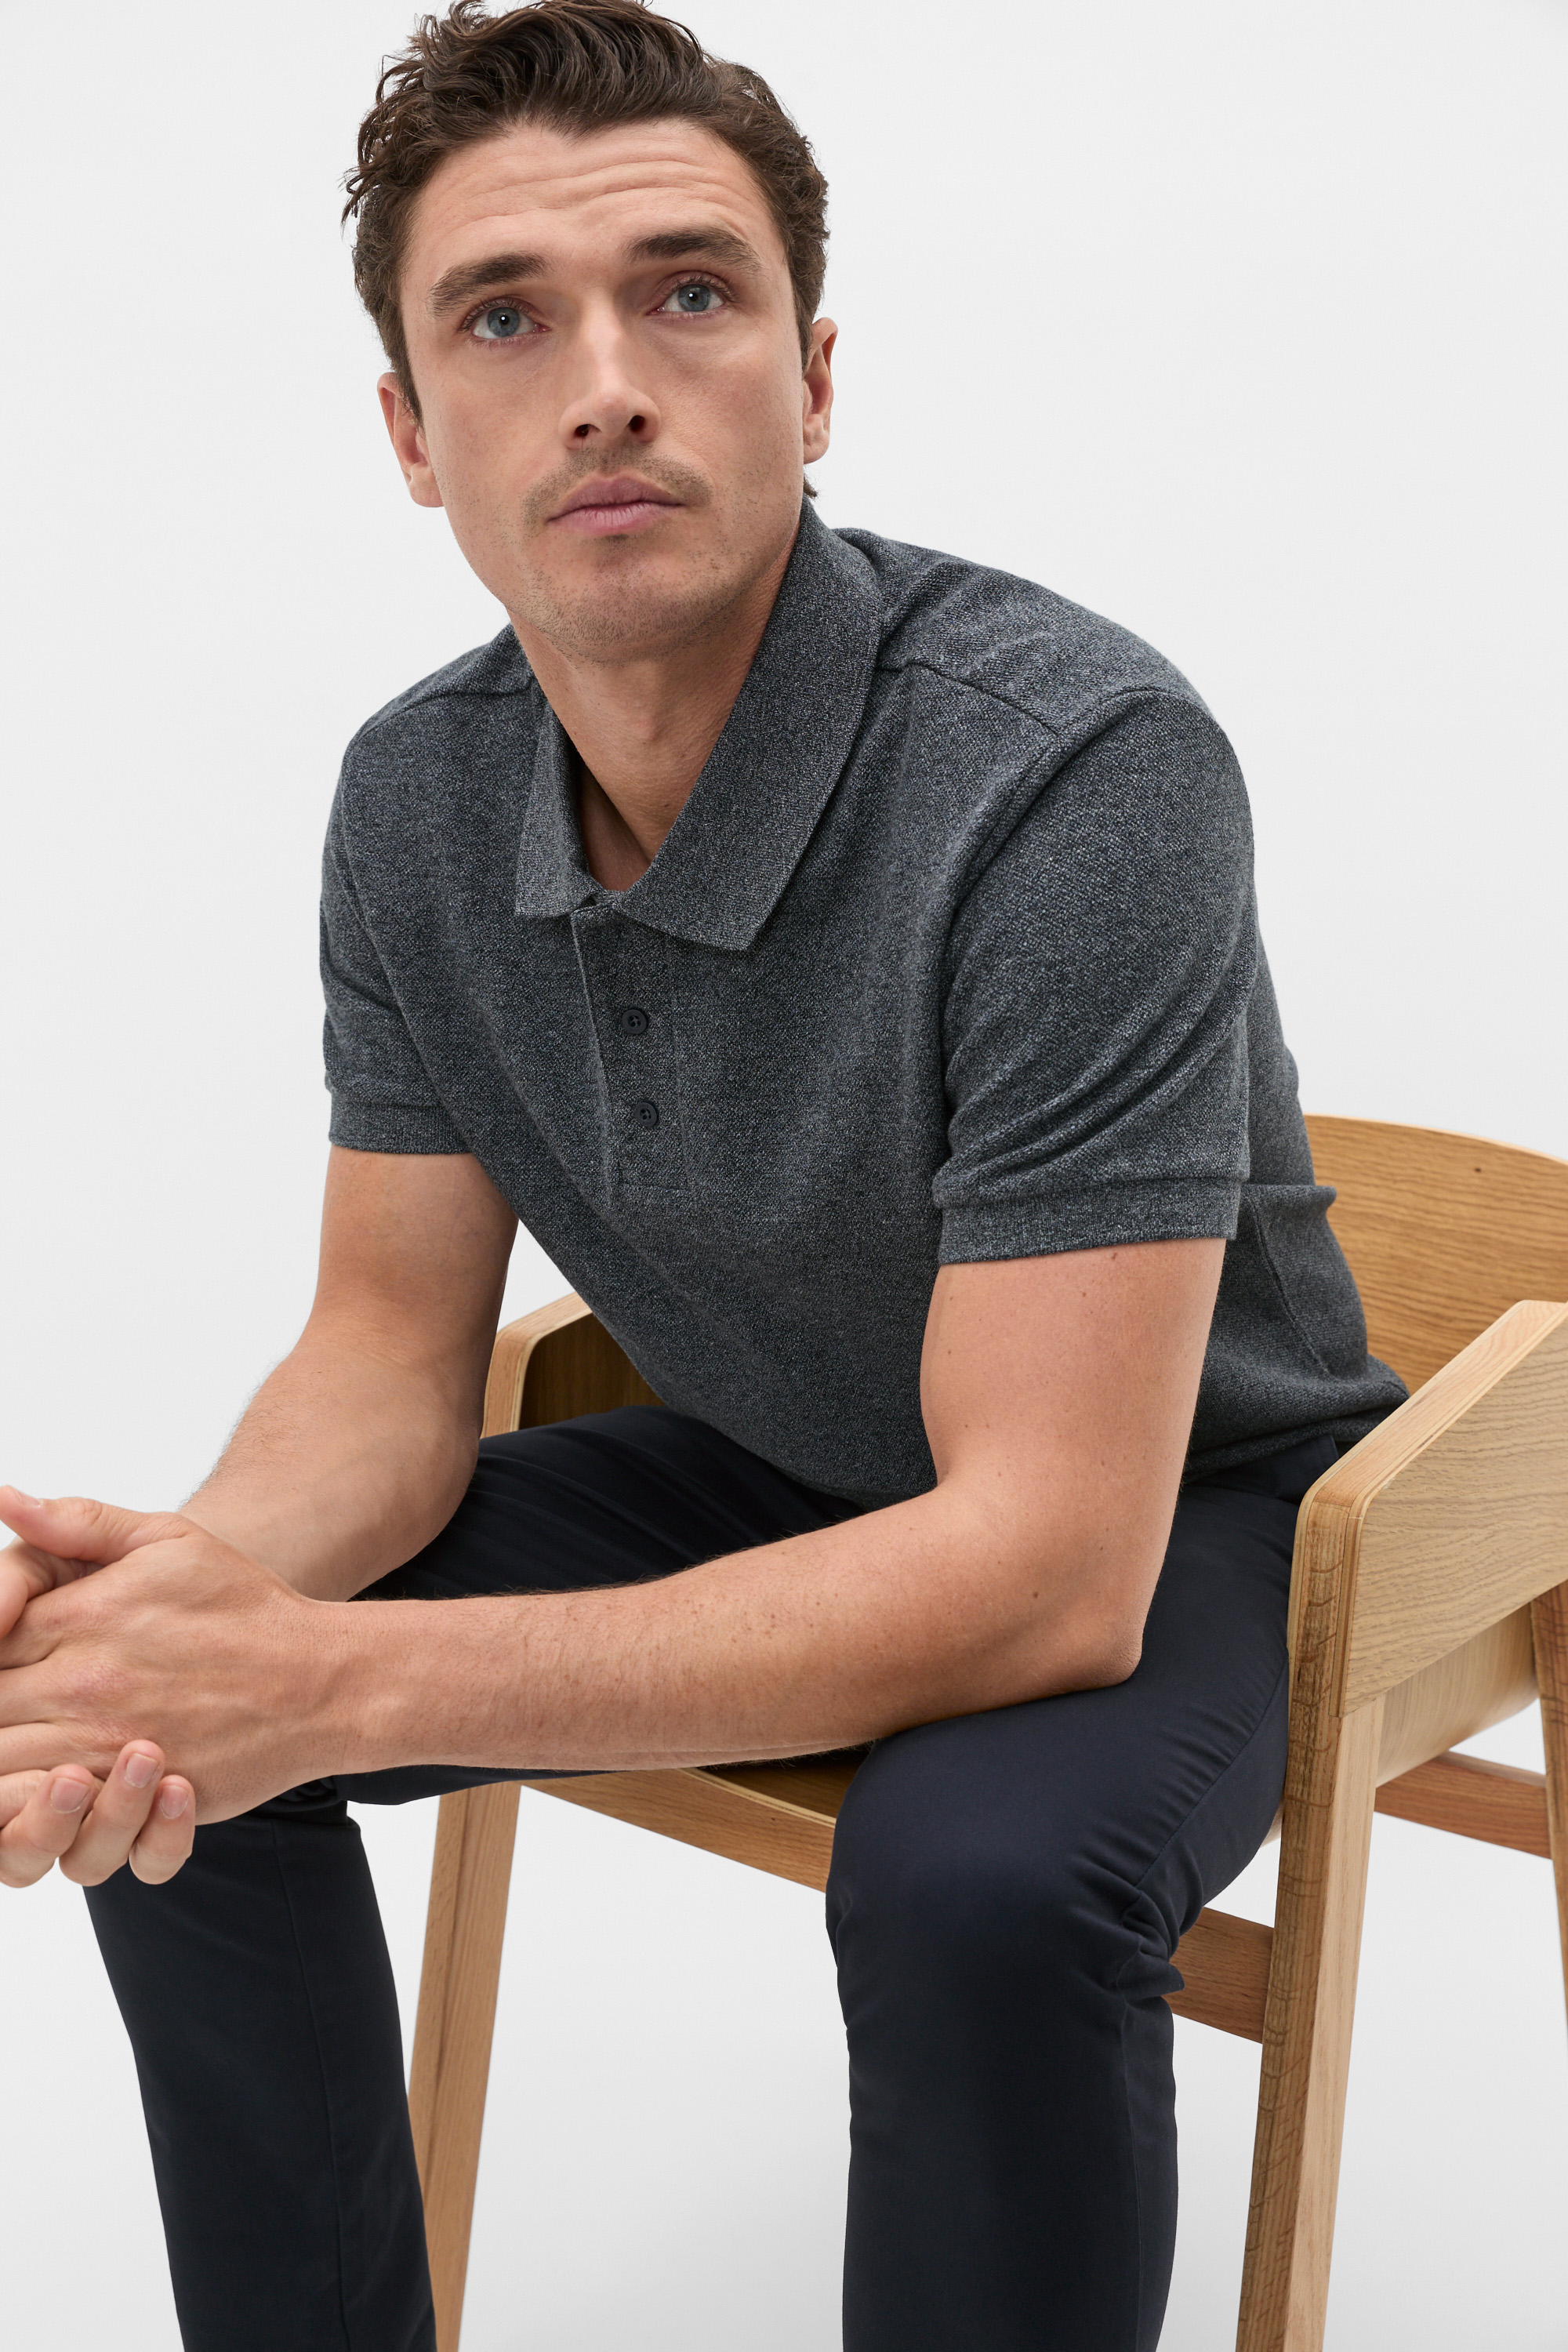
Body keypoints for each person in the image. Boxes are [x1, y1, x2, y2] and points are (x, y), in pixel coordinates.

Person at [0, 4, 1406, 2346]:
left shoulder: (1078, 766)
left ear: (812, 377)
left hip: (1181, 1507)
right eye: (503, 318)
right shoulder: (412, 797)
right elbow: (383, 1357)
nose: (606, 387)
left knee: (976, 1885)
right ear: (410, 433)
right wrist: (184, 1622)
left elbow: (1049, 1566)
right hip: (775, 1448)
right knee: (165, 1734)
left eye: (688, 292)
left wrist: (319, 1679)